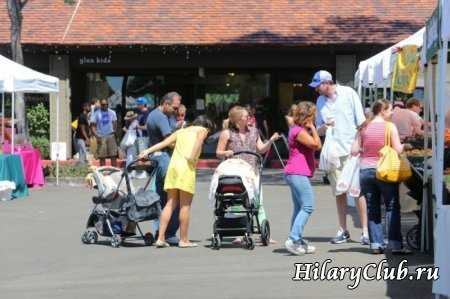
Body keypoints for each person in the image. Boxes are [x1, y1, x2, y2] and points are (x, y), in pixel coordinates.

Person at [311, 70, 369, 245]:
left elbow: (362, 122)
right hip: (333, 151)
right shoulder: (320, 101)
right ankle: (343, 230)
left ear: (327, 82)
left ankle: (365, 232)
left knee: (357, 191)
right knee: (339, 192)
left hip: (351, 150)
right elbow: (318, 128)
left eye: (318, 86)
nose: (316, 90)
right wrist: (323, 127)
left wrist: (356, 143)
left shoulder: (349, 93)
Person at [139, 115, 214, 248]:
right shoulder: (202, 130)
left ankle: (161, 238)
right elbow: (198, 141)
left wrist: (147, 151)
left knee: (170, 204)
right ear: (206, 126)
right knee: (185, 206)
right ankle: (184, 240)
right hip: (186, 168)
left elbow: (164, 143)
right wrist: (192, 156)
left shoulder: (181, 131)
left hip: (173, 168)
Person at [351, 99, 410, 255]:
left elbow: (354, 150)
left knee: (372, 207)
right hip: (384, 171)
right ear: (383, 110)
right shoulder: (389, 126)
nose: (391, 113)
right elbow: (397, 149)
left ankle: (376, 244)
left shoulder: (364, 126)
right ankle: (395, 244)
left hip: (365, 171)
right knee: (391, 206)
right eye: (390, 110)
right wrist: (407, 145)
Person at [216, 105, 279, 243]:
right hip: (235, 173)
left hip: (252, 171)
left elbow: (261, 149)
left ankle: (264, 232)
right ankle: (239, 232)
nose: (249, 118)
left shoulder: (254, 131)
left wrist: (271, 140)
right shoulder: (227, 133)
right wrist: (226, 152)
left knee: (258, 202)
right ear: (238, 119)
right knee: (238, 203)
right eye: (246, 116)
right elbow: (218, 152)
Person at [284, 102, 321, 255]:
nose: (315, 117)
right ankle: (293, 238)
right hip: (297, 173)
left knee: (299, 207)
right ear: (307, 116)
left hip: (295, 173)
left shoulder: (296, 129)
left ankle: (297, 240)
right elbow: (316, 145)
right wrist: (313, 128)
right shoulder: (298, 131)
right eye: (313, 115)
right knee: (308, 206)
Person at [145, 91, 182, 245]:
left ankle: (160, 232)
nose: (176, 111)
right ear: (165, 104)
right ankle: (169, 233)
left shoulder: (163, 115)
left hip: (160, 158)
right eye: (174, 108)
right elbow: (170, 141)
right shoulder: (160, 117)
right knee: (173, 197)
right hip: (163, 159)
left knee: (162, 197)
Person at [90, 99, 118, 167]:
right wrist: (96, 136)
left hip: (111, 135)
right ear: (100, 105)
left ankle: (114, 170)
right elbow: (93, 126)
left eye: (106, 104)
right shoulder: (96, 113)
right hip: (101, 136)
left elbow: (115, 123)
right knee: (102, 156)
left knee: (113, 155)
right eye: (103, 104)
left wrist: (114, 132)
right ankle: (103, 171)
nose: (105, 106)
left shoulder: (112, 112)